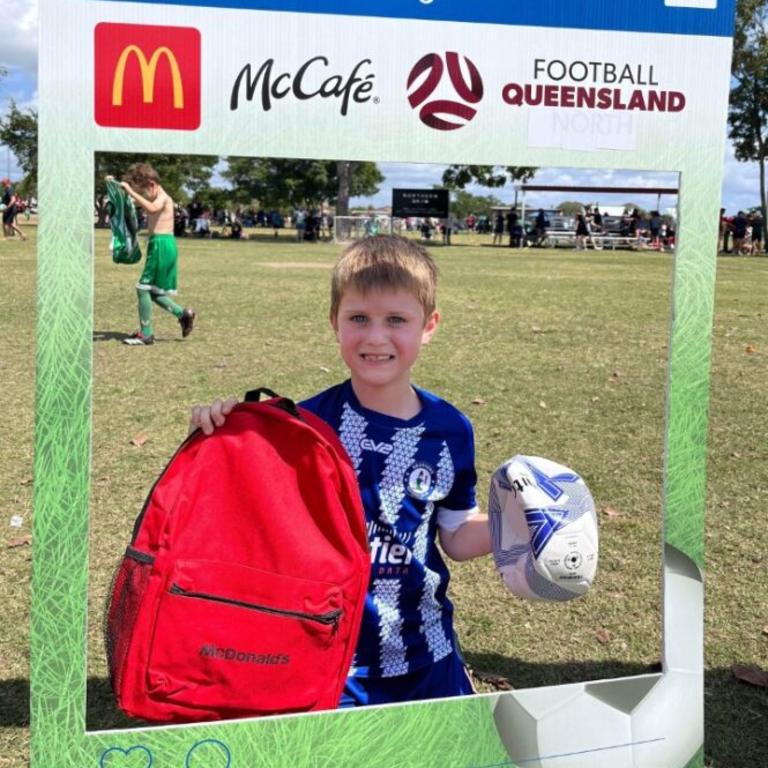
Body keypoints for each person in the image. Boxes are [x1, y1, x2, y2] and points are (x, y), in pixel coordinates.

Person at [189, 235, 492, 707]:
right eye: (358, 319)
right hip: (327, 662)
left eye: (396, 320)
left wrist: (522, 525)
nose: (375, 337)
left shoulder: (451, 428)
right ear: (335, 322)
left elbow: (454, 535)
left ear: (428, 326)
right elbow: (240, 518)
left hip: (426, 656)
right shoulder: (299, 426)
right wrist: (219, 431)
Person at [114, 163, 196, 346]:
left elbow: (151, 208)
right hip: (158, 245)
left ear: (151, 184)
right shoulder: (155, 195)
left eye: (144, 191)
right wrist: (119, 191)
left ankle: (146, 334)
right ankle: (183, 315)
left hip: (162, 245)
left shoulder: (163, 197)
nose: (143, 195)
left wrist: (130, 191)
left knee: (142, 288)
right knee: (151, 291)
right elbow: (136, 203)